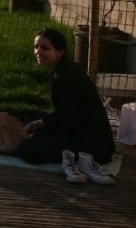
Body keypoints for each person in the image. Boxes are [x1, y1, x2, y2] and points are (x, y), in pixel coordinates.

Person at [17, 28, 116, 184]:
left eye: (45, 48)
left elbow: (68, 119)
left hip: (90, 143)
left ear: (60, 52)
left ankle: (80, 160)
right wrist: (39, 123)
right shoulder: (65, 70)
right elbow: (65, 113)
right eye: (36, 47)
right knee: (31, 114)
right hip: (76, 127)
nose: (38, 52)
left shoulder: (65, 77)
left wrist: (39, 130)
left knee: (26, 149)